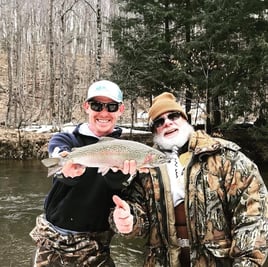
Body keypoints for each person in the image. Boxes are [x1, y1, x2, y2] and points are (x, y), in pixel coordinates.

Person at [110, 92, 268, 266]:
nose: (167, 123)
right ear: (155, 131)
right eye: (159, 122)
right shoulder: (145, 167)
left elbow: (253, 217)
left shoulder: (226, 158)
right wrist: (128, 220)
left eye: (173, 115)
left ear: (185, 119)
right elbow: (138, 219)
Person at [30, 80, 139, 267]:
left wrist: (128, 218)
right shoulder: (65, 139)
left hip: (97, 247)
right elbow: (57, 154)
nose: (104, 112)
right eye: (97, 105)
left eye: (111, 106)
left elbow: (123, 195)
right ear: (86, 107)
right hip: (53, 244)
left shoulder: (128, 152)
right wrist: (66, 170)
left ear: (120, 110)